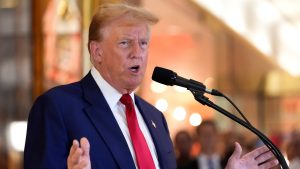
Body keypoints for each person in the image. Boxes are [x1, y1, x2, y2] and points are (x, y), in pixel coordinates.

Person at [24, 3, 279, 169]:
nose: (138, 53)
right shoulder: (58, 107)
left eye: (144, 43)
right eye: (125, 43)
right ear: (97, 52)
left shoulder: (154, 117)